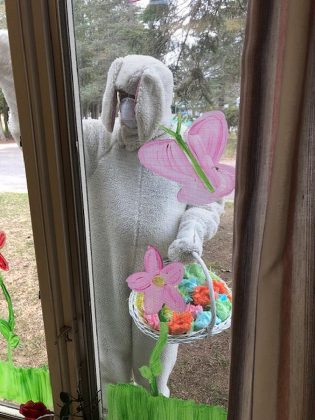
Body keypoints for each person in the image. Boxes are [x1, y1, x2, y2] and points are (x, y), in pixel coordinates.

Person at [0, 35, 224, 413]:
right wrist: (11, 66)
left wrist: (192, 231)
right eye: (122, 98)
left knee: (153, 371)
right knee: (106, 367)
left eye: (138, 99)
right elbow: (42, 136)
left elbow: (208, 201)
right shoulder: (96, 141)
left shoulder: (183, 149)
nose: (128, 110)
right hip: (103, 274)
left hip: (162, 283)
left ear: (160, 99)